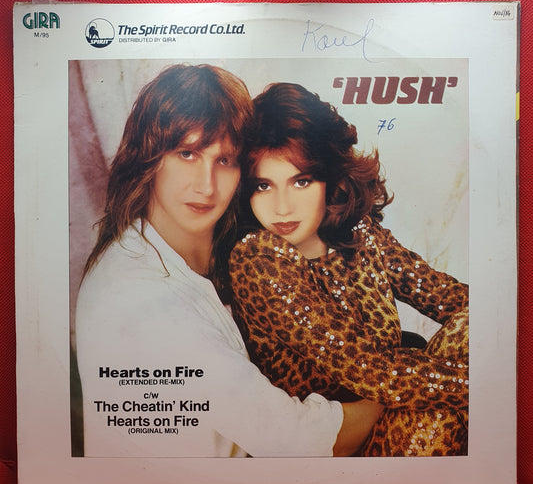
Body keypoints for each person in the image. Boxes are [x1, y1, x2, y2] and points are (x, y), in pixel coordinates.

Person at [75, 64, 383, 458]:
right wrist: (391, 393)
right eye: (187, 153)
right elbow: (295, 441)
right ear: (149, 157)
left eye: (225, 160)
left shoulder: (218, 250)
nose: (206, 186)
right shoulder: (142, 299)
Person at [229, 82, 469, 456]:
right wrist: (482, 384)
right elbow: (369, 370)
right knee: (451, 404)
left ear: (331, 178)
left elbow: (448, 297)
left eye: (301, 181)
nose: (282, 207)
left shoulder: (359, 233)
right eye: (263, 185)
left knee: (479, 320)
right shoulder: (258, 258)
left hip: (400, 412)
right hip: (343, 451)